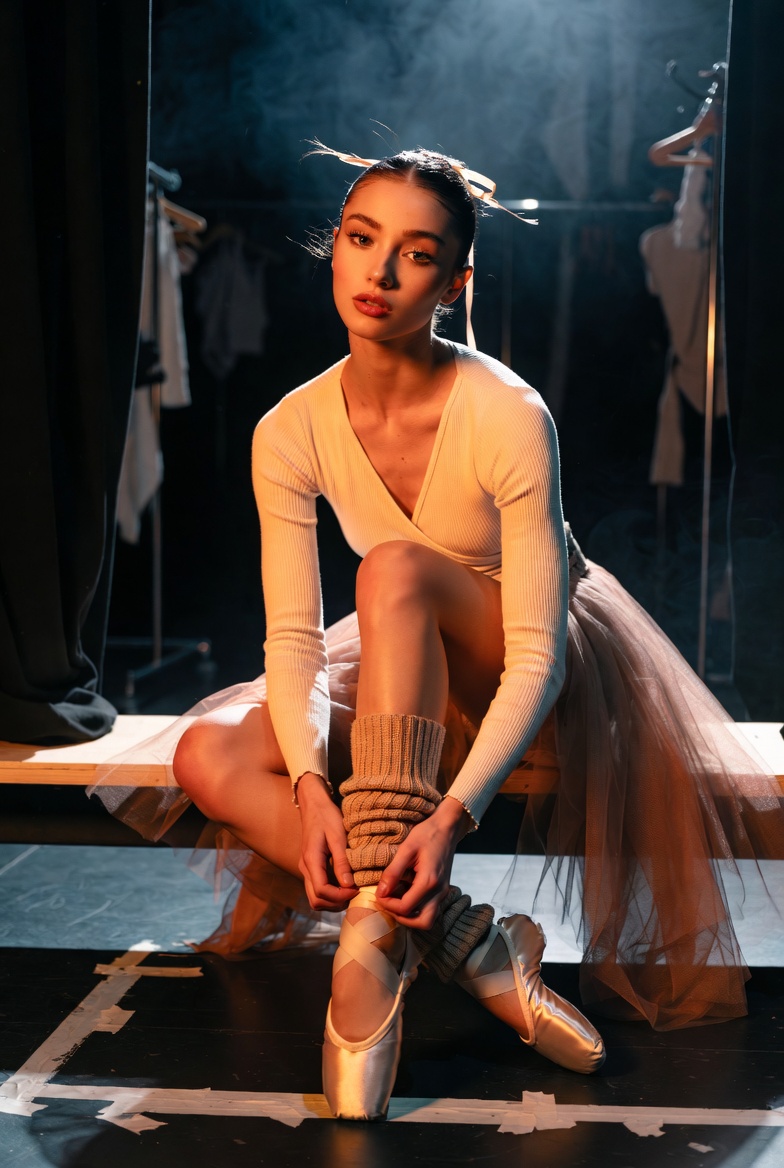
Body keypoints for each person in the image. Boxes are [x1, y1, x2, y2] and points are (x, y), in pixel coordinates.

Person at [90, 146, 782, 1123]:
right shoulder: (289, 428)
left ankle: (369, 964)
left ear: (454, 283)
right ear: (331, 249)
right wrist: (306, 786)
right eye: (361, 240)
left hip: (536, 647)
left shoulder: (506, 411)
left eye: (414, 254)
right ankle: (462, 939)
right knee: (208, 751)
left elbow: (538, 653)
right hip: (398, 639)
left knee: (396, 566)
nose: (377, 273)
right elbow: (292, 639)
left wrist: (451, 816)